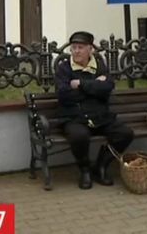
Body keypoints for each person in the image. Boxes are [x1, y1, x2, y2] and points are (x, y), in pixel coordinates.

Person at [55, 31, 134, 189]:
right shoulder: (64, 69)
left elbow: (107, 87)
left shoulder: (99, 65)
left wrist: (81, 84)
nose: (76, 51)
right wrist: (94, 87)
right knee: (79, 136)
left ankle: (101, 166)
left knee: (125, 134)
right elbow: (63, 95)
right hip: (74, 117)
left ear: (90, 49)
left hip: (100, 116)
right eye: (74, 47)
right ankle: (85, 170)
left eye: (80, 47)